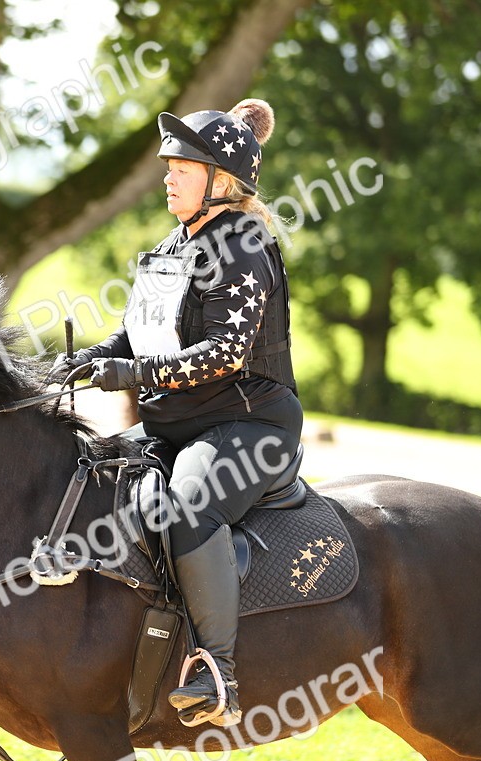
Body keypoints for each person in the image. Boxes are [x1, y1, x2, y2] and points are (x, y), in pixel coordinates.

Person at [52, 99, 302, 727]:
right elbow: (143, 333)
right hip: (177, 424)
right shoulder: (172, 245)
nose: (167, 174)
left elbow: (223, 353)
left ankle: (219, 673)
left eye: (182, 166)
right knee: (88, 467)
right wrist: (94, 358)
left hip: (252, 426)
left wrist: (131, 375)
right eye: (168, 165)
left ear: (222, 180)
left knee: (192, 504)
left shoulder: (244, 245)